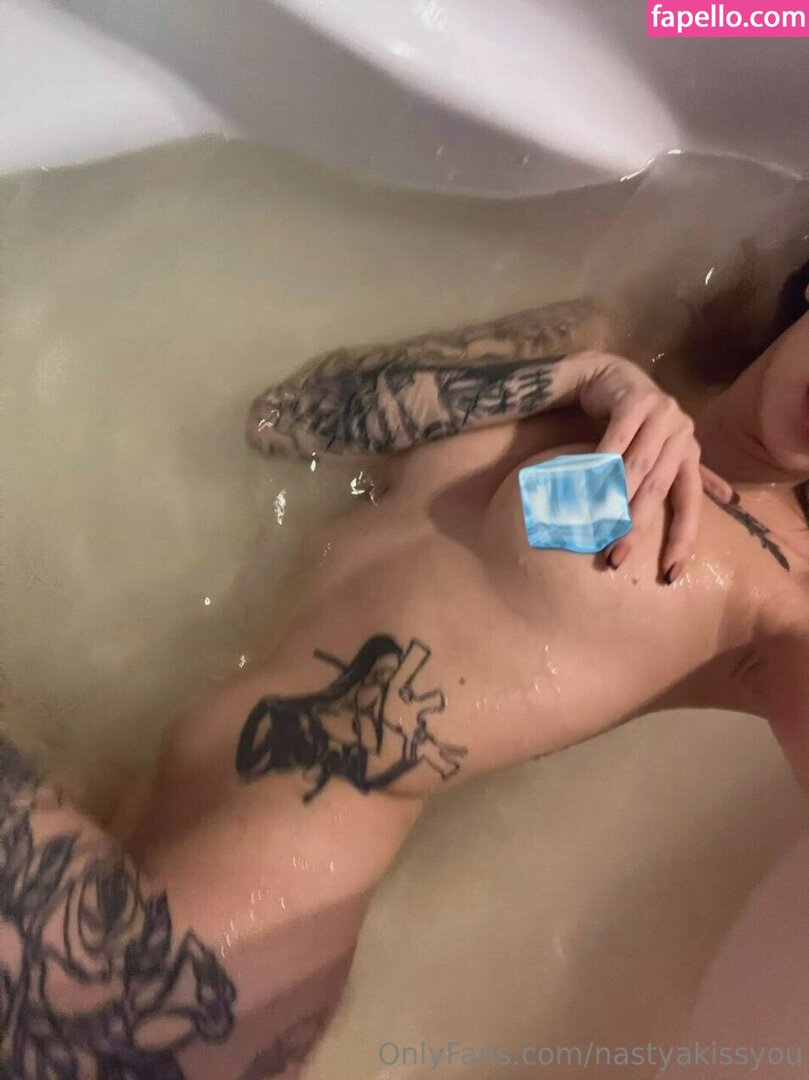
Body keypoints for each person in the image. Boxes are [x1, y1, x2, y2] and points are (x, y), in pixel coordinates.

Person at [1, 262, 806, 1080]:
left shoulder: (786, 604)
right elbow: (289, 417)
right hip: (131, 772)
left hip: (185, 964)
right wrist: (585, 377)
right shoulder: (603, 344)